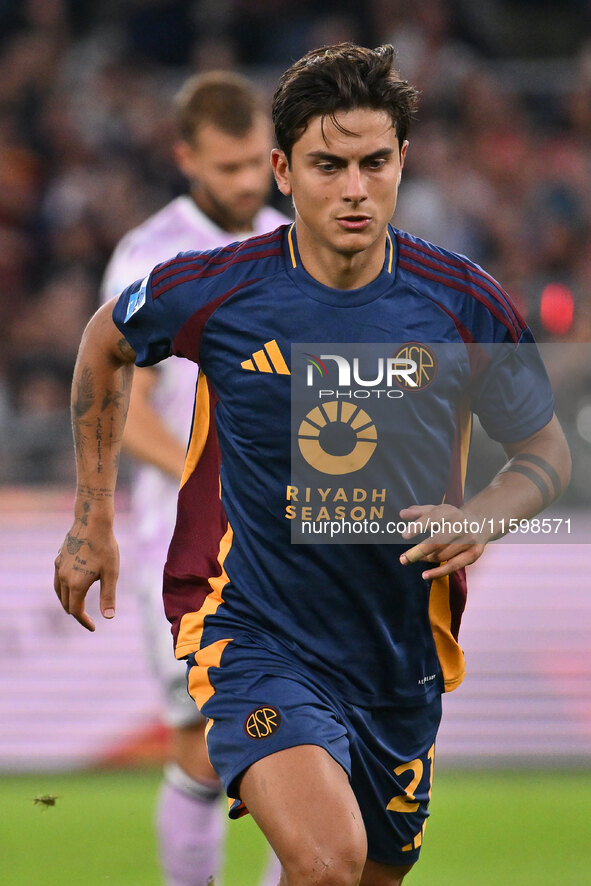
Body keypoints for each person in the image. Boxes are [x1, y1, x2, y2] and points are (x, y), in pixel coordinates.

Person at [55, 43, 571, 886]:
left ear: (402, 159)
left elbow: (542, 450)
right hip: (252, 632)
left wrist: (482, 516)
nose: (354, 188)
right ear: (282, 170)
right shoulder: (217, 289)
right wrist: (91, 521)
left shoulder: (462, 301)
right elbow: (105, 340)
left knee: (360, 873)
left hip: (395, 657)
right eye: (327, 165)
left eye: (374, 162)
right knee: (325, 861)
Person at [99, 71, 289, 886]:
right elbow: (121, 403)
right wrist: (212, 472)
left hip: (289, 541)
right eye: (228, 166)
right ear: (187, 158)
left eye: (258, 162)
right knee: (205, 748)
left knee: (313, 741)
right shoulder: (149, 256)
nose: (247, 182)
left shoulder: (299, 237)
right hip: (184, 545)